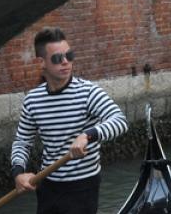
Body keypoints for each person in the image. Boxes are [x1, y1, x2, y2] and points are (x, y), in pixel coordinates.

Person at [11, 27, 128, 214]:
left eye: (69, 55)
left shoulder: (88, 92)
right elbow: (22, 142)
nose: (65, 62)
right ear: (42, 62)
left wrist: (87, 135)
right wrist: (18, 173)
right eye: (57, 58)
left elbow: (120, 121)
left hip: (83, 188)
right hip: (48, 186)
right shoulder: (33, 100)